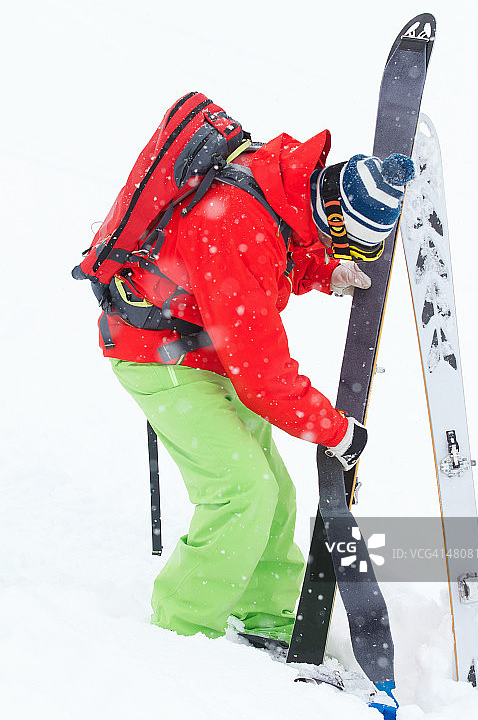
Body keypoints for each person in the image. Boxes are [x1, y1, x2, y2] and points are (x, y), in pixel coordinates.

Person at [97, 113, 414, 646]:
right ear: (333, 214)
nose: (342, 253)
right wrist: (335, 432)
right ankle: (180, 631)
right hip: (158, 354)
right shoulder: (236, 225)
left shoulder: (285, 181)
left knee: (277, 494)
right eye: (346, 245)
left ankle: (266, 616)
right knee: (241, 490)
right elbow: (262, 373)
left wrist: (323, 269)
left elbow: (286, 243)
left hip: (206, 346)